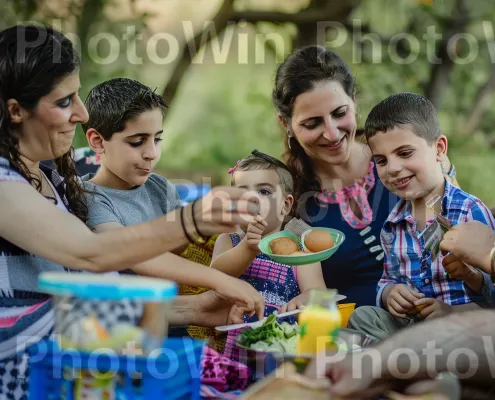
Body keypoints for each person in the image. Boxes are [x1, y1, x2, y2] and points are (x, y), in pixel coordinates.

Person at [304, 8, 495, 397]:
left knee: (481, 332)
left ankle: (370, 371)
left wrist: (491, 257)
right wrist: (485, 263)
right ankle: (375, 371)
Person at [0, 25, 263, 399]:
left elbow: (87, 313)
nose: (82, 112)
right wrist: (192, 222)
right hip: (33, 377)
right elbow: (92, 252)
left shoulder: (51, 180)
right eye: (64, 101)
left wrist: (198, 309)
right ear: (15, 111)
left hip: (83, 367)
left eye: (78, 96)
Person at [273, 45, 495, 308]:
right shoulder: (289, 194)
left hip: (438, 314)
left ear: (354, 103)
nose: (331, 133)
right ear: (286, 124)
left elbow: (458, 218)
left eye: (339, 114)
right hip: (355, 328)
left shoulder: (404, 154)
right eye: (312, 123)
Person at [81, 78, 262, 342]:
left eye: (157, 139)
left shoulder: (160, 188)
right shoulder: (90, 198)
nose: (152, 153)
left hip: (167, 321)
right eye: (137, 142)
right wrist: (218, 280)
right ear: (98, 142)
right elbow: (133, 255)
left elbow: (177, 248)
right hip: (112, 336)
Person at [348, 93, 495, 341]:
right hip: (413, 326)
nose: (393, 168)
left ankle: (401, 363)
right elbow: (388, 277)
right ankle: (402, 359)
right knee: (363, 316)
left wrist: (452, 310)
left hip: (463, 325)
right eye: (382, 160)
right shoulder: (393, 224)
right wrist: (390, 293)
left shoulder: (470, 211)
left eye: (405, 153)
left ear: (439, 149)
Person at [211, 151, 326, 360]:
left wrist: (307, 299)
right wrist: (248, 247)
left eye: (264, 191)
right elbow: (215, 277)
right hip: (235, 350)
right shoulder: (229, 241)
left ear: (285, 205)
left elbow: (320, 296)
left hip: (284, 349)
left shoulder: (300, 250)